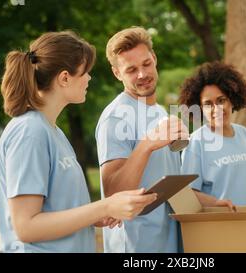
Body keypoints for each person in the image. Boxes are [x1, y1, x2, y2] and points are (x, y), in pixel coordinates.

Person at [0, 31, 156, 253]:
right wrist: (104, 206)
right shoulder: (29, 132)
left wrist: (95, 216)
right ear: (64, 78)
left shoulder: (54, 133)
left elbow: (56, 210)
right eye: (85, 72)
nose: (89, 78)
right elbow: (26, 227)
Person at [95, 27, 234, 253]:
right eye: (131, 69)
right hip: (136, 248)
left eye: (146, 64)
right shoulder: (115, 117)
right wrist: (148, 144)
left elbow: (167, 186)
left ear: (155, 59)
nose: (142, 74)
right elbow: (113, 194)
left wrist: (210, 203)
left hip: (169, 242)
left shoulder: (160, 112)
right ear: (117, 73)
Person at [178, 61, 246, 206]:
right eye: (208, 104)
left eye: (221, 100)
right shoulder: (197, 142)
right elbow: (185, 194)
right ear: (200, 108)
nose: (217, 109)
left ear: (232, 100)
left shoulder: (244, 134)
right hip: (220, 224)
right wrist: (216, 203)